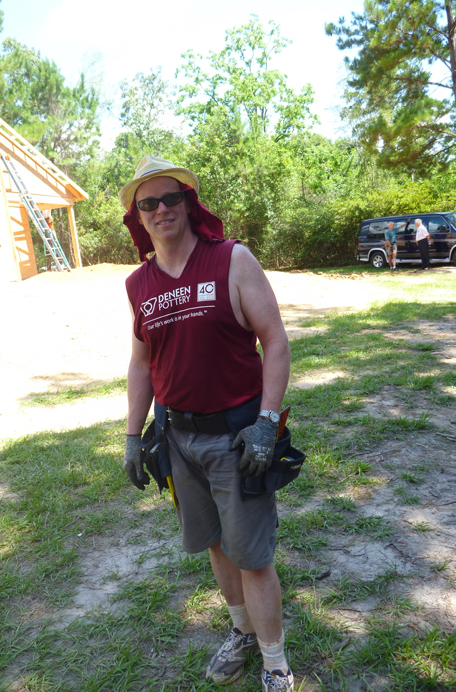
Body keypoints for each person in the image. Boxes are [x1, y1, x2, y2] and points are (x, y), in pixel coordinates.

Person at [120, 156, 294, 691]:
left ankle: (275, 663)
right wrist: (132, 435)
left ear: (190, 204)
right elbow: (142, 362)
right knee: (217, 544)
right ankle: (242, 632)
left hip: (238, 436)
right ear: (138, 218)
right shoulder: (138, 284)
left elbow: (276, 341)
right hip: (178, 438)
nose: (161, 209)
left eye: (171, 198)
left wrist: (267, 422)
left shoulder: (232, 260)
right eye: (148, 203)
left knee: (253, 555)